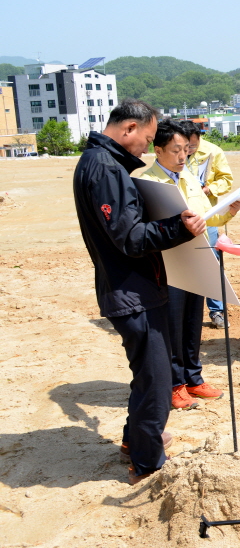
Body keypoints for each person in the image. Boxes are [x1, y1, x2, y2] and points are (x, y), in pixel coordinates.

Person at [72, 99, 206, 484]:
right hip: (133, 293)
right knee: (157, 381)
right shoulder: (105, 168)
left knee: (148, 374)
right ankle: (147, 463)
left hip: (133, 289)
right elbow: (130, 238)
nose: (147, 148)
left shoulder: (99, 162)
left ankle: (135, 441)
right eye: (147, 139)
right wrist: (179, 228)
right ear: (128, 129)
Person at [141, 119, 240, 409]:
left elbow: (205, 218)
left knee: (191, 323)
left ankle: (193, 379)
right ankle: (174, 384)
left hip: (197, 257)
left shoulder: (188, 178)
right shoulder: (148, 183)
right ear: (158, 150)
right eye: (176, 150)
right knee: (171, 327)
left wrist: (229, 211)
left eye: (186, 149)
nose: (183, 156)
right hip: (170, 267)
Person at [179, 120, 233, 329]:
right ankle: (184, 309)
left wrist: (210, 189)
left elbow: (226, 180)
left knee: (211, 260)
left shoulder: (213, 152)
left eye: (193, 145)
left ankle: (216, 310)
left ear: (199, 138)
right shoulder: (175, 151)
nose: (189, 150)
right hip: (180, 215)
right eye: (186, 146)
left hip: (206, 215)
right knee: (183, 262)